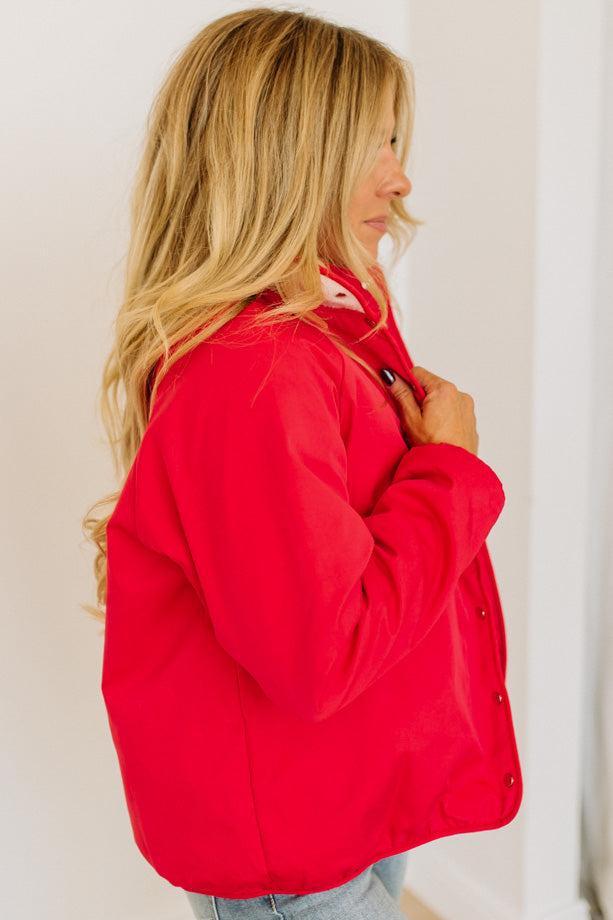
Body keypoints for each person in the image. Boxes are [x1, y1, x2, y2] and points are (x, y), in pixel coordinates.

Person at [82, 7, 523, 919]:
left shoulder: (321, 330)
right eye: (369, 145)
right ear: (284, 159)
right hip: (295, 853)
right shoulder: (253, 371)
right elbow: (323, 654)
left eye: (395, 140)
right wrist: (447, 470)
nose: (399, 177)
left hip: (336, 805)